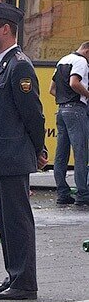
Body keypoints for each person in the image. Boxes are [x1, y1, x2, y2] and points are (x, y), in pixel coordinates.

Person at [0, 2, 47, 301]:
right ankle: (14, 276)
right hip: (2, 155)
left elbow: (33, 113)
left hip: (13, 155)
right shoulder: (3, 63)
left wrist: (38, 149)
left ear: (6, 29)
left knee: (17, 221)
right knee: (6, 221)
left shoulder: (19, 64)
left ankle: (24, 283)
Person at [49, 42, 89, 206]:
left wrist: (63, 100)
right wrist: (87, 95)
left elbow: (52, 89)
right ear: (87, 51)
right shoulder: (81, 61)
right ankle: (83, 195)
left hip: (62, 110)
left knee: (61, 154)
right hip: (76, 110)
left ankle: (62, 193)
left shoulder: (62, 60)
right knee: (81, 153)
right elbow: (74, 83)